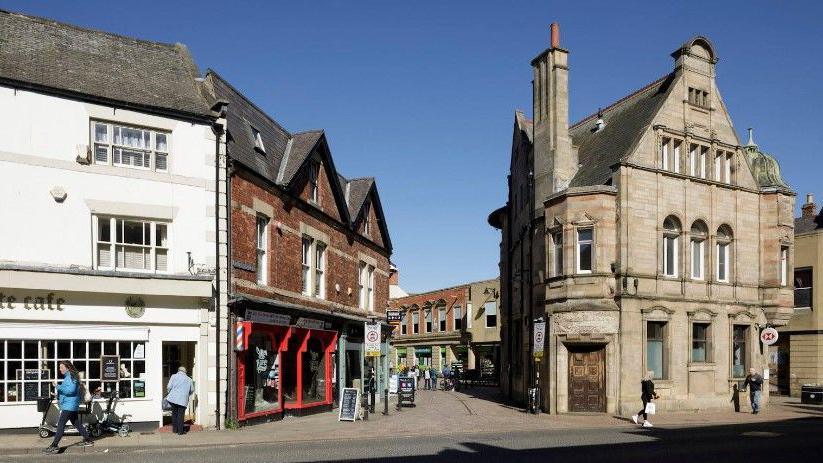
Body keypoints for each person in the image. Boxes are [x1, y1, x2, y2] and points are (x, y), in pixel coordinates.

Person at [43, 361, 93, 454]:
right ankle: (88, 440)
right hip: (70, 404)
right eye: (59, 367)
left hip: (69, 405)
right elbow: (68, 390)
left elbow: (71, 390)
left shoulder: (71, 377)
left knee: (61, 425)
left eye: (61, 367)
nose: (60, 369)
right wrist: (58, 394)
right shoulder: (69, 377)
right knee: (77, 423)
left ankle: (54, 445)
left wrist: (57, 386)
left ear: (67, 368)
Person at [166, 366, 194, 435]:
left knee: (174, 414)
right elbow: (192, 390)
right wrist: (186, 394)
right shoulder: (189, 379)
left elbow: (169, 387)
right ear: (185, 372)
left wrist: (169, 392)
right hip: (183, 400)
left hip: (173, 399)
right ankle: (180, 431)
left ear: (178, 371)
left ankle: (175, 430)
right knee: (180, 415)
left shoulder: (173, 376)